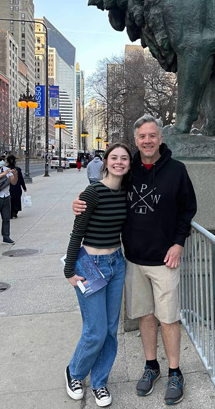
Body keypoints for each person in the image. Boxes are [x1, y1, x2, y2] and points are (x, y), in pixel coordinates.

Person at [74, 115, 197, 405]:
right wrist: (80, 200)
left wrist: (179, 242)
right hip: (132, 260)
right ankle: (151, 366)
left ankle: (175, 372)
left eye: (152, 135)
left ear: (160, 138)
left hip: (165, 261)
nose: (148, 141)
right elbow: (103, 190)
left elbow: (187, 209)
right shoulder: (129, 172)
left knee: (168, 318)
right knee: (145, 315)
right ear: (136, 140)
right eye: (142, 136)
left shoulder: (177, 171)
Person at [64, 142, 131, 407]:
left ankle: (100, 382)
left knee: (111, 330)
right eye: (114, 157)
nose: (119, 162)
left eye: (124, 158)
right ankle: (75, 373)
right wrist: (69, 270)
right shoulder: (92, 193)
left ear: (129, 164)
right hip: (90, 265)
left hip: (117, 263)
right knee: (95, 331)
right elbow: (76, 233)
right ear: (105, 161)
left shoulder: (126, 192)